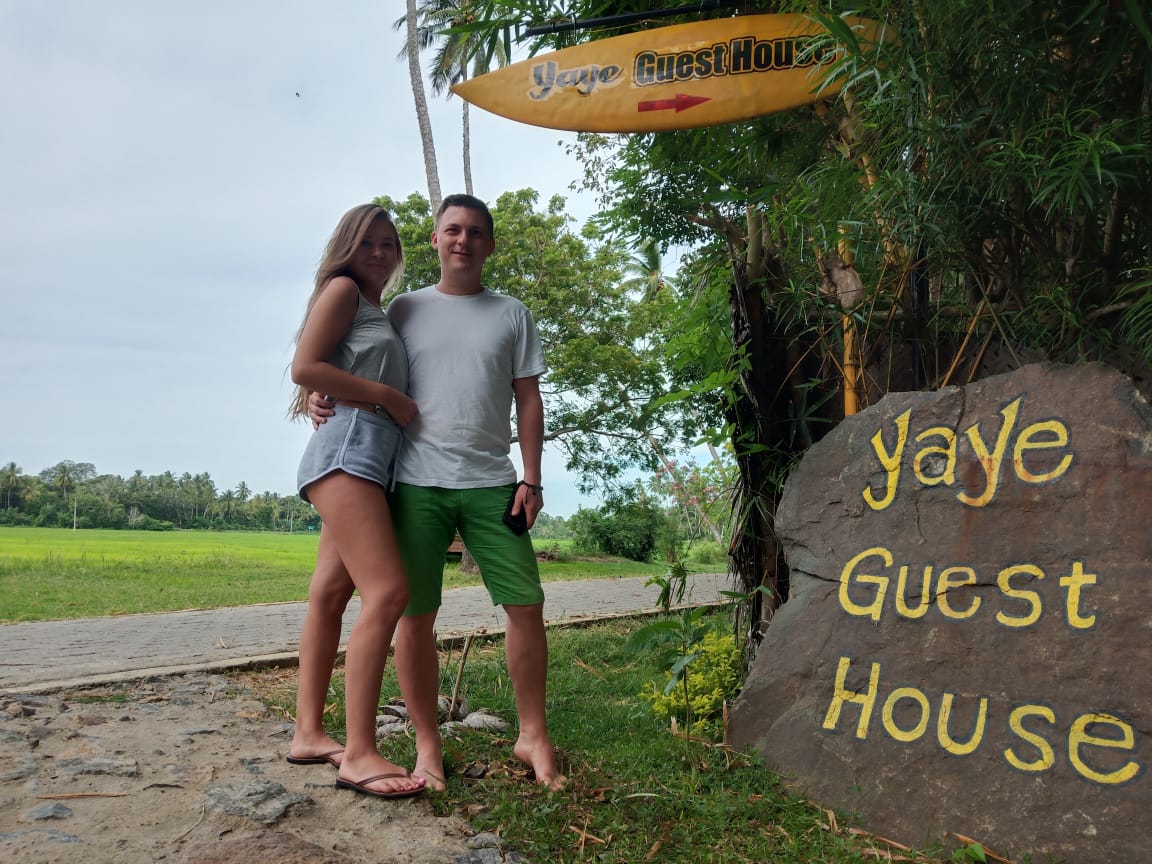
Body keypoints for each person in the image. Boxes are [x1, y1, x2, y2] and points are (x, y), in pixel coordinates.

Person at [309, 193, 566, 792]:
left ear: (490, 244)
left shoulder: (512, 313)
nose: (463, 240)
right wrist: (326, 397)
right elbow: (358, 364)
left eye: (476, 232)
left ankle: (533, 735)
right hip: (414, 482)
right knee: (414, 615)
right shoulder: (402, 308)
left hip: (493, 484)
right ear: (434, 240)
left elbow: (529, 398)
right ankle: (428, 742)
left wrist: (532, 477)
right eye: (452, 229)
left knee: (526, 606)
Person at [287, 203, 426, 799]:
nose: (380, 252)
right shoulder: (343, 290)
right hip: (351, 449)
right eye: (368, 241)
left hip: (364, 452)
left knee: (331, 593)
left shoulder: (374, 309)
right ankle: (360, 752)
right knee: (389, 592)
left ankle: (309, 734)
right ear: (347, 246)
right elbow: (305, 367)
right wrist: (385, 397)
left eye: (389, 243)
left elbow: (327, 370)